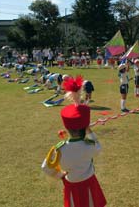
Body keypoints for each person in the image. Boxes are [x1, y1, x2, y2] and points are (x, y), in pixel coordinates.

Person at [41, 76, 107, 207]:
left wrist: (60, 175)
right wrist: (89, 131)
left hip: (71, 185)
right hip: (90, 184)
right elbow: (98, 147)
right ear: (85, 126)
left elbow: (45, 167)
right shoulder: (90, 146)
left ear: (66, 127)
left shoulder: (59, 149)